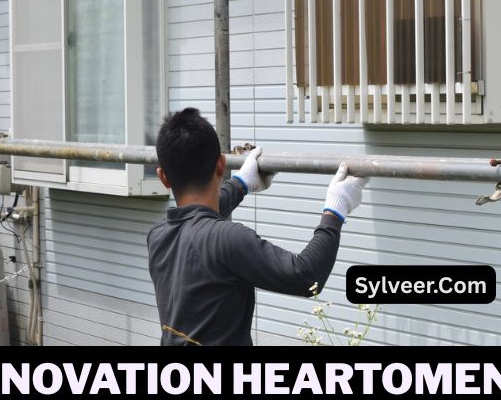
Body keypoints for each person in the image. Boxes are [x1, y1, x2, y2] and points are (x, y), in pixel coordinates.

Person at [147, 108, 370, 346]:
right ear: (221, 164)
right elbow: (307, 276)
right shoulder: (228, 239)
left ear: (163, 177)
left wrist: (241, 184)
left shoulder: (158, 235)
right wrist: (336, 209)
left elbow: (196, 217)